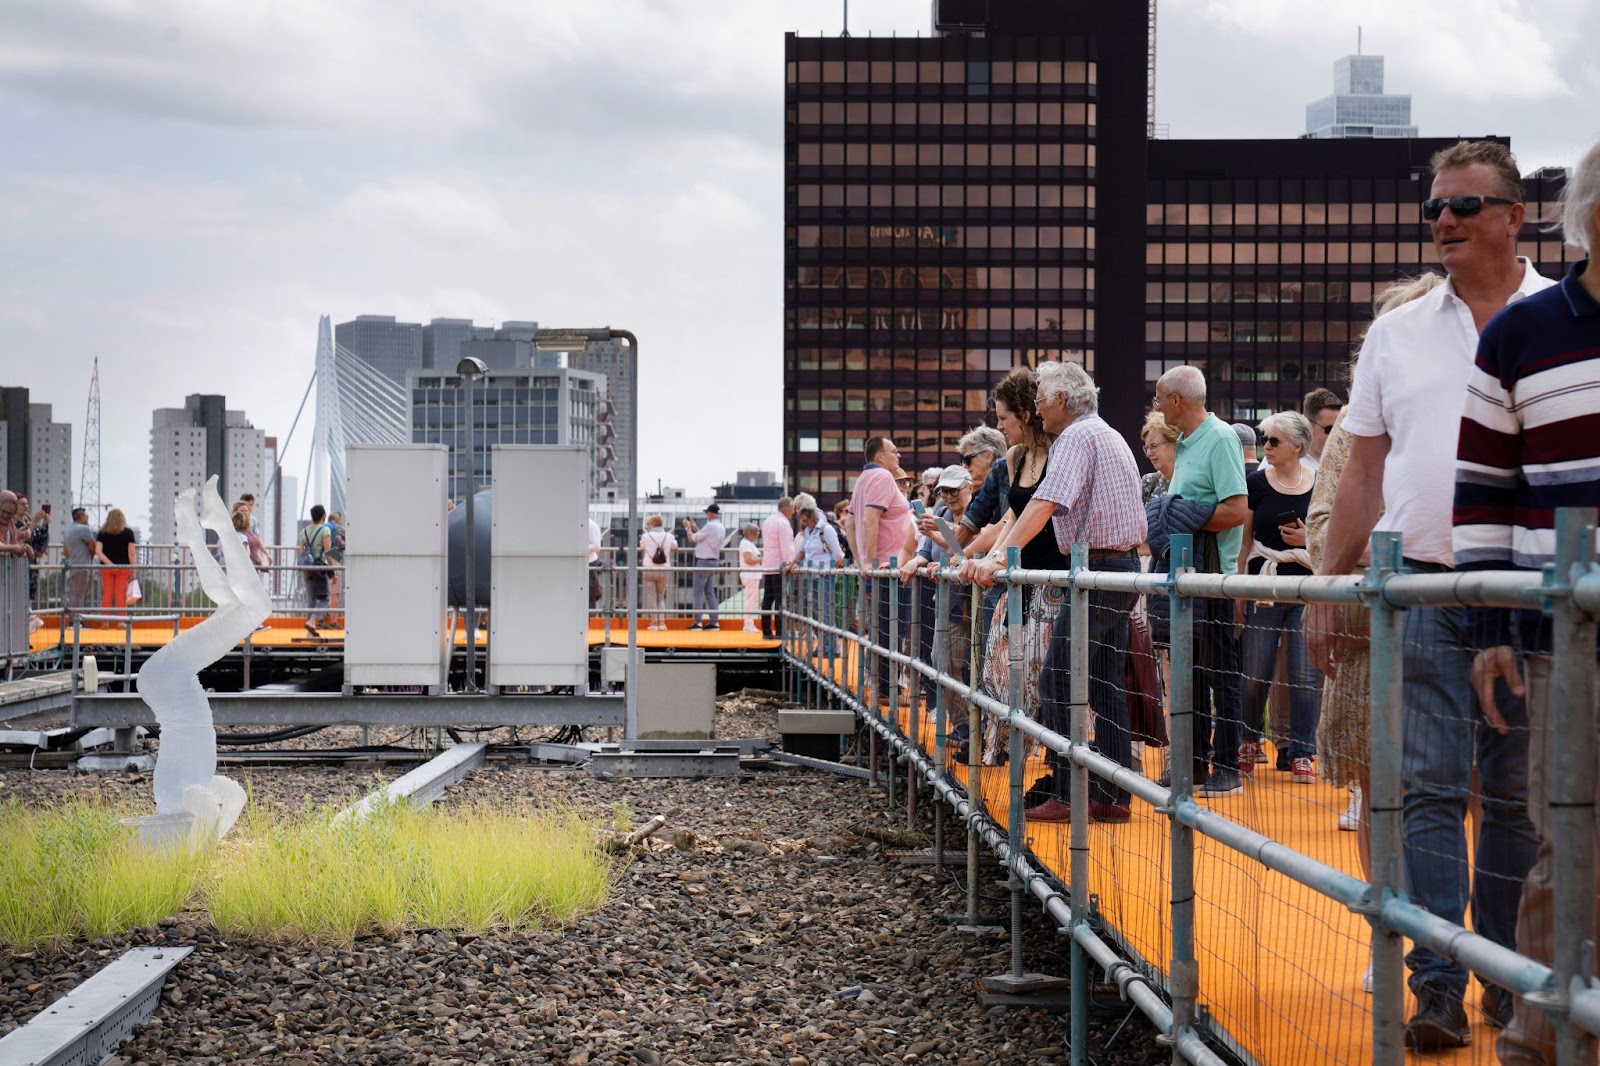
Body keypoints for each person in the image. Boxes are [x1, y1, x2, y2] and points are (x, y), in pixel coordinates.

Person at [1305, 140, 1549, 1050]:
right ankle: (1439, 982)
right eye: (1434, 208)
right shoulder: (1397, 334)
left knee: (1517, 797)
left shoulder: (1566, 318)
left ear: (1514, 217)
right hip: (1423, 590)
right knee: (1429, 789)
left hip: (1532, 591)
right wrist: (1328, 587)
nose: (1443, 220)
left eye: (1463, 205)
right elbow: (1363, 473)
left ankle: (1505, 974)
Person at [1452, 137, 1600, 1066]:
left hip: (1561, 630)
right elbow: (1483, 490)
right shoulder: (1522, 333)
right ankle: (1540, 1046)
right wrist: (1490, 630)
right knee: (1569, 845)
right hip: (1563, 640)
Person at [1309, 271, 1447, 992]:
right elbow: (1324, 522)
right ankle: (1390, 932)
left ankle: (1465, 945)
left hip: (1456, 618)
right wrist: (1374, 565)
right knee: (1382, 792)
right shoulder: (1353, 431)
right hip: (1371, 637)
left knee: (1469, 792)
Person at [965, 361, 1145, 822]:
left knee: (1058, 678)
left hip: (1098, 569)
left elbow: (1043, 503)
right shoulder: (1104, 432)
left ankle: (1069, 792)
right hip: (1116, 566)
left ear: (1062, 400)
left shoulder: (1075, 438)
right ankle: (1112, 794)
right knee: (1103, 682)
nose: (1038, 408)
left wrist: (996, 559)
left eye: (1042, 399)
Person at [1153, 364, 1249, 798]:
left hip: (1214, 577)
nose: (1157, 407)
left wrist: (1180, 515)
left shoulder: (1222, 438)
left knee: (1220, 673)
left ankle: (1227, 766)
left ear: (1176, 400)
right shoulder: (1187, 442)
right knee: (1188, 673)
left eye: (1159, 399)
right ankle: (1192, 763)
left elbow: (1236, 510)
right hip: (1187, 577)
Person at [961, 367, 1064, 765]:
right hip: (1020, 580)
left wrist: (996, 558)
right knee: (1001, 670)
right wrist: (992, 558)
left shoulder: (1061, 450)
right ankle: (1011, 750)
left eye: (1004, 417)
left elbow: (1042, 510)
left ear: (1025, 414)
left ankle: (1054, 765)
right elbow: (1012, 518)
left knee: (1048, 678)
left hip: (1054, 579)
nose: (1000, 426)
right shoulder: (1015, 456)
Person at [1235, 411, 1319, 781]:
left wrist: (1307, 539)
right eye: (1265, 439)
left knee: (1304, 675)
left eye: (1274, 441)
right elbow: (1244, 543)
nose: (1265, 447)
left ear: (1297, 447)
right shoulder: (1255, 482)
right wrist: (1238, 591)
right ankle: (1248, 739)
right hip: (1263, 587)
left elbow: (1329, 534)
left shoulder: (1319, 483)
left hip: (1306, 588)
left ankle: (1303, 751)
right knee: (1255, 672)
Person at [904, 465, 974, 725]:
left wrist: (939, 531)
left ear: (969, 487)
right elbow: (928, 550)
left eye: (954, 490)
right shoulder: (941, 513)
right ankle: (962, 724)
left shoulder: (976, 514)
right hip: (946, 601)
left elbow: (963, 549)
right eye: (944, 491)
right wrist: (914, 562)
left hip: (971, 599)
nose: (949, 496)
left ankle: (974, 726)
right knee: (942, 660)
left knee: (969, 666)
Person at [848, 436, 914, 706]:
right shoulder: (883, 477)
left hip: (883, 568)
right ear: (880, 456)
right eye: (894, 451)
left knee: (885, 629)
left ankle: (885, 687)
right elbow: (869, 518)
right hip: (889, 569)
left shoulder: (862, 480)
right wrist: (868, 561)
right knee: (893, 630)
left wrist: (861, 560)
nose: (898, 456)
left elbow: (851, 525)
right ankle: (888, 690)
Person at [682, 504, 725, 630]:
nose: (706, 515)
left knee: (698, 592)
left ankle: (697, 622)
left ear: (710, 514)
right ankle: (714, 621)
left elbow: (692, 539)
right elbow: (704, 536)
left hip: (703, 561)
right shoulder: (720, 526)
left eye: (707, 513)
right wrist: (695, 527)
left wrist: (687, 528)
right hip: (713, 561)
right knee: (710, 592)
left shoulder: (710, 525)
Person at [760, 497, 798, 639]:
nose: (794, 511)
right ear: (786, 508)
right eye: (793, 508)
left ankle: (766, 631)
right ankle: (780, 631)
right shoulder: (783, 523)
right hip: (780, 566)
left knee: (767, 599)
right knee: (780, 600)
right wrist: (790, 563)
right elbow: (786, 546)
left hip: (768, 564)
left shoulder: (768, 520)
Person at [93, 507, 137, 614]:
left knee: (107, 593)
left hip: (106, 568)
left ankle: (105, 620)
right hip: (123, 567)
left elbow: (98, 551)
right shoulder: (128, 533)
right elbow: (131, 553)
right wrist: (134, 570)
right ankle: (120, 620)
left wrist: (110, 564)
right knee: (120, 594)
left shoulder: (102, 533)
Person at [299, 505, 333, 637]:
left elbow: (302, 553)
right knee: (325, 600)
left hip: (307, 569)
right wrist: (332, 569)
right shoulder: (325, 530)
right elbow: (328, 551)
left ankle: (309, 634)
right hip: (319, 568)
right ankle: (312, 620)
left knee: (311, 600)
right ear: (324, 516)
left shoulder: (303, 531)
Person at [639, 514, 674, 631]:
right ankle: (662, 623)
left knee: (651, 597)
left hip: (649, 568)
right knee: (661, 597)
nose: (647, 526)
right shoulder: (669, 536)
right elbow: (675, 546)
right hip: (664, 569)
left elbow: (642, 546)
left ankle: (654, 623)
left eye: (648, 524)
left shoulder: (646, 536)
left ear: (653, 524)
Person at [62, 506, 95, 617]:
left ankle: (73, 618)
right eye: (86, 516)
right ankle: (76, 620)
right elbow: (92, 546)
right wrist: (91, 557)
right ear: (81, 516)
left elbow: (65, 552)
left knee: (74, 594)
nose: (87, 517)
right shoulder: (84, 529)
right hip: (82, 565)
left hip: (73, 565)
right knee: (79, 595)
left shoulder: (68, 531)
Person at [1140, 411, 1179, 505]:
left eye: (1153, 446)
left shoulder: (1191, 482)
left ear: (1174, 442)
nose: (1148, 454)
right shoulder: (1148, 483)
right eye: (1146, 448)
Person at [1302, 388, 1343, 469]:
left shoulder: (1349, 463)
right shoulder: (1291, 466)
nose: (1336, 435)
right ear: (1308, 426)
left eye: (1340, 429)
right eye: (1329, 429)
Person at [738, 523, 763, 634]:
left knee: (752, 599)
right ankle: (748, 624)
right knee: (751, 600)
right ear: (751, 533)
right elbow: (748, 560)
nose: (757, 535)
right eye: (756, 533)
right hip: (750, 575)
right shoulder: (746, 544)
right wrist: (762, 558)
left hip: (753, 575)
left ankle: (749, 623)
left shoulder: (748, 544)